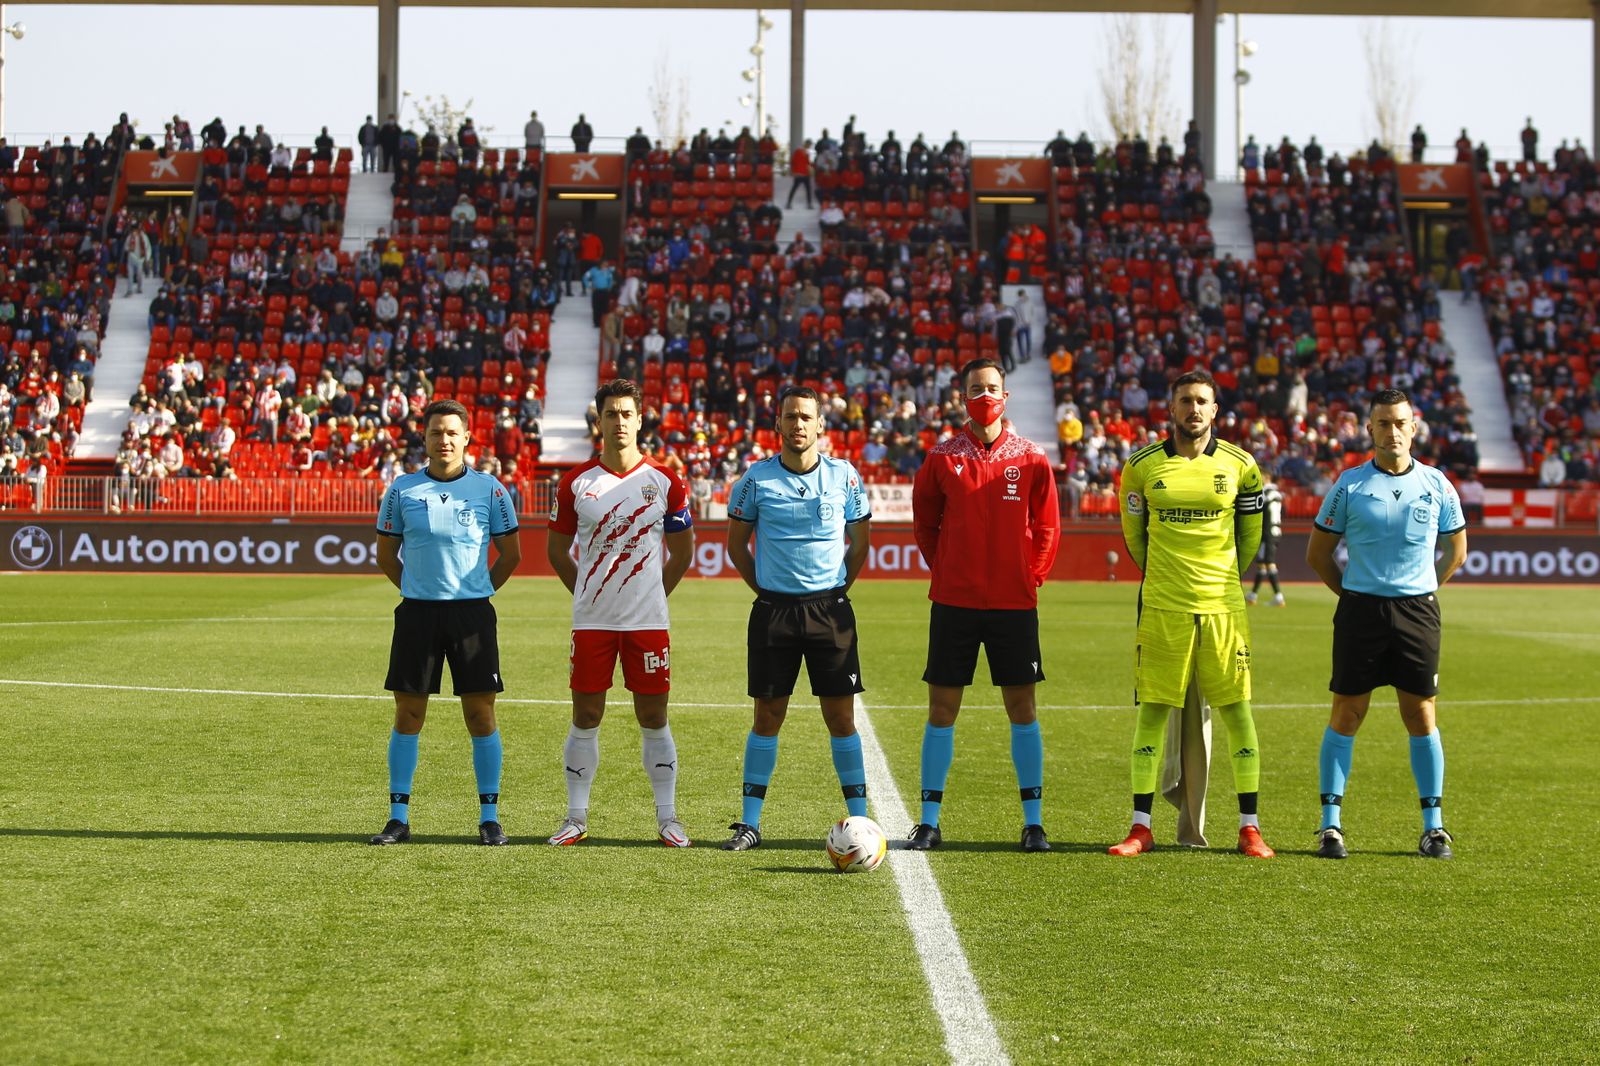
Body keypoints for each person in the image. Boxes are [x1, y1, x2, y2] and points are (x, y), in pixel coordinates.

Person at [1110, 369, 1272, 858]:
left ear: (1215, 410)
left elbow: (1250, 539)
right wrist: (1167, 578)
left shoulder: (1243, 466)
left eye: (1203, 401)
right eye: (1185, 400)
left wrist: (1219, 582)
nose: (1194, 409)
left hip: (1223, 610)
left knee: (1238, 714)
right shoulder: (1140, 467)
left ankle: (1249, 827)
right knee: (1153, 714)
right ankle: (1141, 826)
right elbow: (1134, 538)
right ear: (1171, 407)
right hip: (1163, 608)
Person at [1306, 389, 1468, 861]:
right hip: (1361, 612)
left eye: (1400, 423)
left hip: (1418, 612)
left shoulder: (1437, 484)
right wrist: (1355, 595)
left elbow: (1456, 551)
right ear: (1370, 429)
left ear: (1413, 428)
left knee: (1420, 716)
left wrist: (1422, 589)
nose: (1392, 431)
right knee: (1347, 714)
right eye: (1382, 423)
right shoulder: (1350, 484)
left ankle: (1434, 828)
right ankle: (1330, 827)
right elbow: (1318, 554)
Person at [908, 358, 1060, 853]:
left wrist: (1031, 577)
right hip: (954, 600)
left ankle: (1033, 822)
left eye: (992, 388)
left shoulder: (1033, 457)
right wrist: (947, 569)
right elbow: (925, 525)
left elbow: (1048, 527)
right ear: (963, 397)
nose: (985, 395)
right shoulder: (941, 457)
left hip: (1014, 604)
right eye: (976, 388)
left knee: (1022, 708)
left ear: (1006, 395)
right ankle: (930, 820)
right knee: (942, 708)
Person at [720, 385, 872, 851]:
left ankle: (862, 822)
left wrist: (837, 591)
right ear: (778, 425)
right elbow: (735, 545)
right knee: (767, 715)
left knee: (840, 717)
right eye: (790, 417)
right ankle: (750, 824)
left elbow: (860, 542)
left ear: (821, 424)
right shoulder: (755, 479)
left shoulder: (845, 476)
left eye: (807, 417)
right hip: (774, 612)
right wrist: (765, 590)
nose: (798, 424)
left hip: (830, 611)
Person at [545, 380, 696, 847]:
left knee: (653, 715)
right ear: (600, 421)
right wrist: (586, 595)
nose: (619, 421)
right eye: (611, 413)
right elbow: (556, 551)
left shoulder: (666, 481)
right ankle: (576, 816)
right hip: (592, 622)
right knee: (586, 714)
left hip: (647, 622)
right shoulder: (576, 483)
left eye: (627, 413)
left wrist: (653, 595)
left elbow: (683, 553)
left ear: (640, 418)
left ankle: (668, 818)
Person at [370, 399, 523, 847]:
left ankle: (489, 817)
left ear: (466, 438)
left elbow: (511, 553)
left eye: (453, 432)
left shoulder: (490, 489)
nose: (445, 440)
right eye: (437, 432)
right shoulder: (402, 489)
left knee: (480, 714)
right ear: (425, 437)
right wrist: (416, 587)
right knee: (408, 713)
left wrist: (479, 590)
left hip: (472, 614)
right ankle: (398, 818)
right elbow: (384, 553)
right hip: (417, 613)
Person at [1245, 480, 1285, 606]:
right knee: (1262, 564)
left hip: (1268, 533)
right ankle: (1253, 594)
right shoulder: (1276, 494)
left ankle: (1278, 596)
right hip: (1274, 531)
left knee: (1269, 563)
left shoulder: (1265, 493)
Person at [787, 139, 813, 209]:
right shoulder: (798, 151)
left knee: (808, 190)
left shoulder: (807, 154)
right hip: (798, 174)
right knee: (794, 188)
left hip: (805, 174)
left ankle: (809, 204)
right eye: (809, 145)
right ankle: (788, 203)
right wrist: (793, 171)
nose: (809, 147)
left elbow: (808, 163)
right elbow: (793, 162)